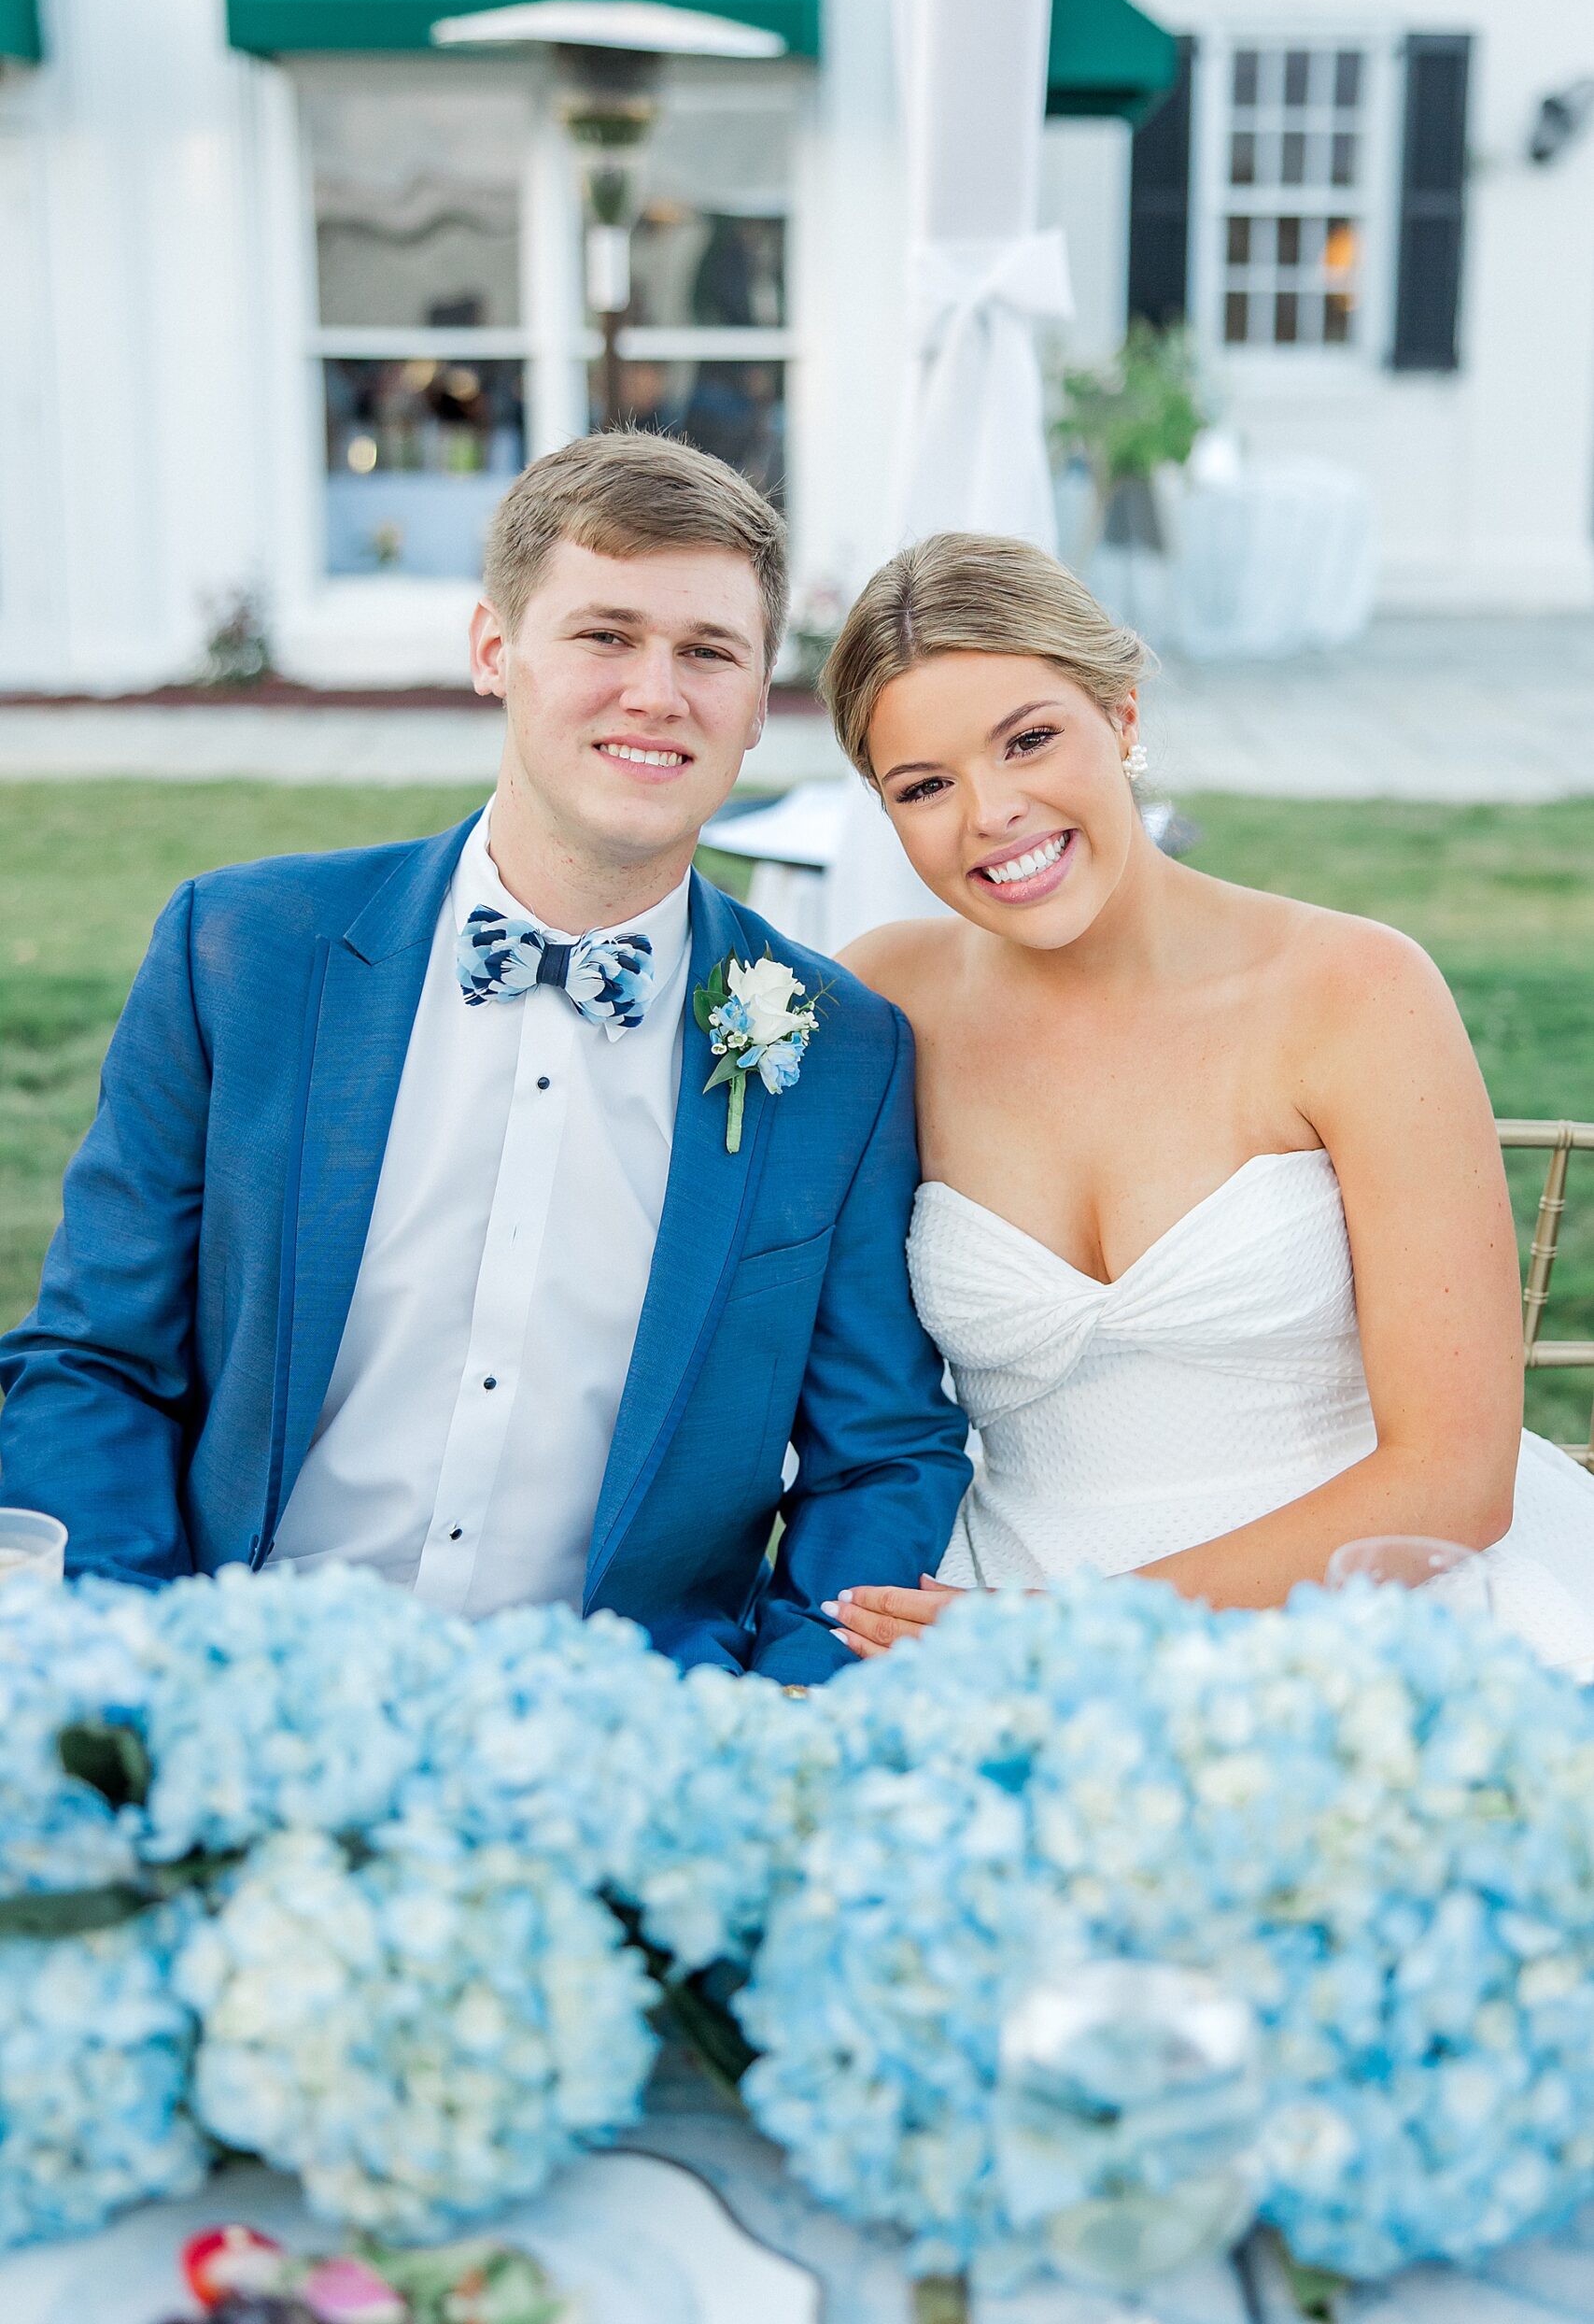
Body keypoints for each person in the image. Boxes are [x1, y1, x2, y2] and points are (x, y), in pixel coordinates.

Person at [0, 434, 970, 1682]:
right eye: (603, 635)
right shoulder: (243, 953)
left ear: (753, 700)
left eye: (707, 652)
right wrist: (136, 1670)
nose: (654, 693)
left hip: (623, 1732)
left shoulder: (835, 1051)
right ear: (491, 652)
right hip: (240, 1688)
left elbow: (879, 1455)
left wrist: (778, 1710)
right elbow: (97, 1360)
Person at [815, 532, 1594, 1674]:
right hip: (996, 1602)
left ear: (1124, 719)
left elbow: (1454, 1478)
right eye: (925, 786)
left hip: (1361, 1609)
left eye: (1029, 740)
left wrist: (1079, 1634)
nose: (991, 814)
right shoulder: (883, 996)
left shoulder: (1356, 993)